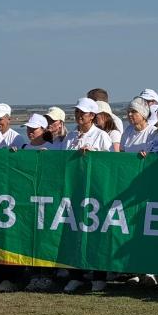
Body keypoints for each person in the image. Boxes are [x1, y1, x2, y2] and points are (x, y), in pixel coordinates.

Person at [62, 98, 114, 294]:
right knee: (72, 232)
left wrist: (93, 156)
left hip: (95, 193)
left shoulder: (101, 136)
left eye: (82, 113)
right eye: (77, 112)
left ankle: (99, 277)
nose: (78, 116)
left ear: (92, 116)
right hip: (73, 191)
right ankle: (75, 275)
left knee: (96, 234)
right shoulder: (70, 136)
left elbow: (110, 163)